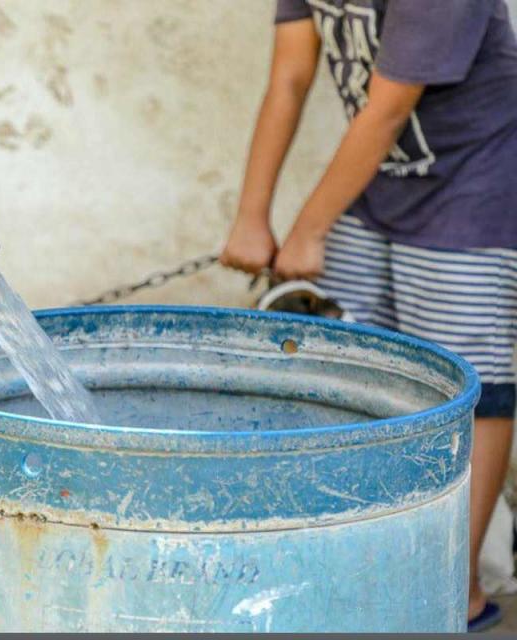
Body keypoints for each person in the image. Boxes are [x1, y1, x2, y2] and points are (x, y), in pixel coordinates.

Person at [221, 0, 517, 631]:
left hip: (476, 190)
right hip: (377, 186)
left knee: (475, 389)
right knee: (353, 370)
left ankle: (451, 590)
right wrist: (252, 213)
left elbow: (387, 106)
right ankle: (362, 567)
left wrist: (307, 229)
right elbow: (291, 75)